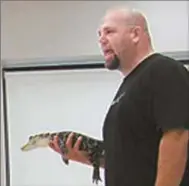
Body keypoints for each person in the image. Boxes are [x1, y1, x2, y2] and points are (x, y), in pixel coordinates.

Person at [49, 6, 189, 186]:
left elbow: (177, 136)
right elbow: (133, 158)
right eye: (99, 34)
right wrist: (86, 156)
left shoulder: (163, 70)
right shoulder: (128, 87)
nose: (101, 40)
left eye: (109, 31)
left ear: (135, 34)